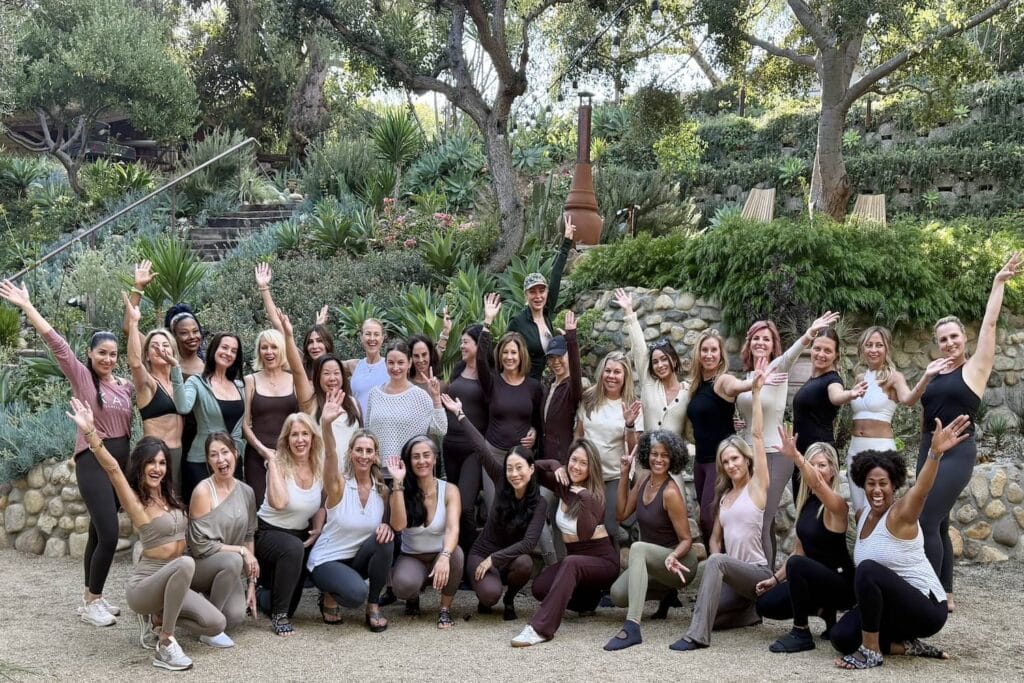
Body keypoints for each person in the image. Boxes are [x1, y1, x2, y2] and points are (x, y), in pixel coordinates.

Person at [1, 280, 133, 626]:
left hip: (119, 465)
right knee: (109, 534)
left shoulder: (123, 386)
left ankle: (94, 597)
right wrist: (28, 307)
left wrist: (135, 296)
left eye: (112, 353)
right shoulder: (83, 378)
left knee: (94, 533)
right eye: (101, 352)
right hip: (93, 462)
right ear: (90, 354)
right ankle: (92, 602)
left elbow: (135, 346)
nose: (107, 358)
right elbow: (57, 344)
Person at [66, 398, 225, 671]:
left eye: (162, 463)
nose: (157, 468)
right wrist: (90, 432)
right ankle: (165, 643)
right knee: (186, 563)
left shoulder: (170, 496)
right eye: (151, 463)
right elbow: (113, 469)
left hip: (174, 581)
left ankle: (159, 619)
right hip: (145, 587)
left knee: (216, 623)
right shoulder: (136, 502)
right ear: (140, 466)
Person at [916, 252, 1020, 609]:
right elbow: (923, 410)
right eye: (943, 339)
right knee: (940, 522)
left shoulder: (975, 369)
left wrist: (998, 282)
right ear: (937, 343)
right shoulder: (934, 373)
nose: (949, 343)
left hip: (957, 450)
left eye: (954, 336)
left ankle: (928, 594)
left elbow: (990, 325)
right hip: (928, 450)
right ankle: (946, 593)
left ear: (964, 338)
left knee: (926, 518)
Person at [830, 416, 970, 669]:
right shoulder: (862, 517)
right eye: (870, 484)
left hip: (926, 609)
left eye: (883, 484)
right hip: (893, 608)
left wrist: (935, 454)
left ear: (893, 485)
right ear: (863, 484)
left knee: (868, 569)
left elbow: (921, 490)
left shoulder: (900, 515)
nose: (876, 490)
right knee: (840, 636)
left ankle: (871, 651)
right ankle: (907, 646)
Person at [670, 357, 773, 652]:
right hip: (736, 581)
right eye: (725, 461)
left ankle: (697, 637)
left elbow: (755, 434)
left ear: (746, 459)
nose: (730, 465)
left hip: (757, 574)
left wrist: (754, 391)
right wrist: (722, 573)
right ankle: (748, 614)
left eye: (735, 459)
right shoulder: (725, 498)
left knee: (713, 570)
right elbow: (715, 540)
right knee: (707, 610)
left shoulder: (757, 487)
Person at [734, 312, 839, 564]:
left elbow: (793, 352)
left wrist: (810, 332)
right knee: (758, 520)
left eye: (766, 339)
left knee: (762, 518)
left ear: (773, 345)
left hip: (773, 455)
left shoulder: (778, 368)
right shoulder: (746, 377)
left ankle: (761, 578)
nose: (760, 343)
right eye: (756, 338)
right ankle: (763, 575)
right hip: (749, 455)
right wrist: (736, 421)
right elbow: (745, 412)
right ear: (749, 343)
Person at [440, 393, 547, 621]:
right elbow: (481, 447)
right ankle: (487, 592)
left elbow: (528, 543)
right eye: (510, 468)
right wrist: (460, 414)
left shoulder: (539, 503)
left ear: (531, 469)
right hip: (481, 553)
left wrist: (495, 559)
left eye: (519, 468)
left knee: (525, 563)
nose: (514, 474)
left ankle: (509, 600)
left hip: (507, 558)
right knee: (490, 596)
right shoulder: (500, 478)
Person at [510, 439, 619, 647]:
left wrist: (585, 499)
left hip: (603, 561)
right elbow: (532, 466)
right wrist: (554, 465)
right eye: (573, 460)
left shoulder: (595, 496)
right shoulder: (564, 485)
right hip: (579, 564)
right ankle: (587, 600)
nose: (576, 466)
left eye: (583, 463)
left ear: (592, 466)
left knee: (570, 563)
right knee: (540, 588)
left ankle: (540, 629)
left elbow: (585, 534)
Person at [755, 433, 854, 653]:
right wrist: (774, 579)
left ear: (832, 471)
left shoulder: (837, 505)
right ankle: (823, 612)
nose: (817, 470)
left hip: (840, 584)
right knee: (765, 604)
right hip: (815, 582)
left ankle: (801, 632)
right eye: (812, 464)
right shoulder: (807, 503)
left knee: (797, 566)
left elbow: (818, 484)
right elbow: (799, 551)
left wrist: (798, 458)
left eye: (822, 465)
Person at [605, 430, 699, 651]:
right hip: (655, 564)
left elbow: (687, 539)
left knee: (637, 548)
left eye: (665, 455)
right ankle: (665, 593)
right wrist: (624, 473)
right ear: (647, 454)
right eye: (654, 454)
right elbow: (621, 514)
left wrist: (673, 556)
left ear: (673, 458)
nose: (658, 459)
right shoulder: (644, 480)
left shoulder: (671, 493)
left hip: (680, 563)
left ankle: (632, 627)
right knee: (617, 595)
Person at [311, 392, 394, 632]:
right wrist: (326, 424)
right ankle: (329, 594)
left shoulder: (383, 492)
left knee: (385, 538)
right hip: (327, 560)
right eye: (359, 450)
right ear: (350, 453)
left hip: (355, 560)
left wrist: (387, 524)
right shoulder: (338, 485)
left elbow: (394, 525)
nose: (364, 456)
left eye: (369, 451)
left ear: (375, 455)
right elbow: (329, 455)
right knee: (355, 594)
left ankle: (374, 605)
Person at [848, 325, 941, 512]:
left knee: (878, 510)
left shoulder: (893, 377)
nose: (873, 350)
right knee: (859, 511)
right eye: (869, 345)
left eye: (879, 345)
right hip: (855, 450)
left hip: (880, 451)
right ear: (862, 348)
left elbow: (908, 399)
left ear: (886, 349)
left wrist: (926, 377)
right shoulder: (859, 378)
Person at [254, 413, 325, 636]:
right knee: (293, 547)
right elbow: (279, 502)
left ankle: (258, 594)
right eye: (294, 435)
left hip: (298, 536)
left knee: (288, 603)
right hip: (267, 533)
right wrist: (272, 461)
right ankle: (279, 616)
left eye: (305, 434)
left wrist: (318, 527)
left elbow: (321, 503)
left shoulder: (318, 466)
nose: (300, 440)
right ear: (286, 439)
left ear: (313, 438)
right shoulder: (278, 465)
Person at [186, 433, 259, 649]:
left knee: (236, 616)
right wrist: (241, 552)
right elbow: (198, 545)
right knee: (234, 560)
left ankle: (205, 605)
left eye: (225, 452)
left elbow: (248, 535)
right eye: (214, 455)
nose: (221, 460)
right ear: (208, 461)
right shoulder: (202, 492)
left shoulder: (246, 492)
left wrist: (252, 584)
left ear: (235, 453)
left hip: (228, 567)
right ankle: (211, 629)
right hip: (200, 564)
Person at [386, 437, 463, 629]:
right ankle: (413, 597)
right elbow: (397, 526)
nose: (422, 461)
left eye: (426, 455)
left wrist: (445, 556)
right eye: (416, 457)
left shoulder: (450, 490)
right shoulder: (401, 489)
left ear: (435, 459)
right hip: (412, 556)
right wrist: (397, 483)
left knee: (456, 555)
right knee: (402, 586)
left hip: (440, 554)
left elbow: (453, 528)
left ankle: (445, 609)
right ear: (409, 461)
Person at [242, 301, 314, 505]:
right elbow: (245, 425)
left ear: (281, 350)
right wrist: (263, 450)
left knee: (290, 503)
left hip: (291, 455)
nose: (269, 352)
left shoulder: (294, 380)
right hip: (257, 456)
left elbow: (304, 420)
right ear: (259, 352)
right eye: (264, 348)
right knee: (261, 504)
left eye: (274, 347)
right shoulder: (251, 380)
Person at [442, 298, 496, 566]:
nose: (462, 346)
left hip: (473, 450)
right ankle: (455, 560)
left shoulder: (488, 377)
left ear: (479, 346)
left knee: (464, 507)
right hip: (449, 447)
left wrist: (486, 323)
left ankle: (472, 562)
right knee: (451, 509)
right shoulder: (460, 369)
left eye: (466, 342)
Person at [170, 332, 246, 504]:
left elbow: (244, 425)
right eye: (224, 347)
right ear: (214, 350)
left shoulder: (240, 386)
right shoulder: (197, 382)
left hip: (232, 460)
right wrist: (175, 368)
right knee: (204, 515)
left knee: (232, 513)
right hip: (201, 460)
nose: (228, 353)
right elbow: (183, 407)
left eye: (234, 351)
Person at [123, 292, 185, 500]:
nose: (160, 349)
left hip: (179, 454)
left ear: (174, 352)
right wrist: (133, 324)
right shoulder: (148, 384)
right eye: (154, 346)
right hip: (156, 457)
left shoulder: (180, 383)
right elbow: (134, 362)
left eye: (166, 345)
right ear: (147, 354)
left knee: (178, 509)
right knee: (157, 509)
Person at [576, 350, 642, 542]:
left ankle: (611, 568)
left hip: (614, 476)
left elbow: (633, 449)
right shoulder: (589, 398)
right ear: (601, 372)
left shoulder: (631, 405)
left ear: (625, 376)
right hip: (587, 474)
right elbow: (578, 435)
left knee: (610, 528)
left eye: (617, 372)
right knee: (586, 525)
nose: (611, 376)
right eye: (608, 371)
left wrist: (629, 425)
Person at [791, 329, 867, 495]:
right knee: (803, 510)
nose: (821, 354)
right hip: (804, 454)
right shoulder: (814, 380)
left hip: (819, 457)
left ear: (836, 355)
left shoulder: (833, 379)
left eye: (828, 350)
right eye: (817, 348)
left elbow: (836, 396)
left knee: (817, 510)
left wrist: (850, 394)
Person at [684, 329, 738, 544]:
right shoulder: (696, 386)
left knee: (709, 518)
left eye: (713, 350)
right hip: (700, 462)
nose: (708, 354)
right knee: (706, 518)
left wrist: (752, 383)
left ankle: (722, 565)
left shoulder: (723, 380)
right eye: (704, 350)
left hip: (719, 461)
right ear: (698, 354)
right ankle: (715, 565)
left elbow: (736, 386)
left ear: (721, 354)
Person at [481, 329, 544, 512]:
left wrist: (535, 432)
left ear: (521, 355)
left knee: (522, 508)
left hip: (521, 459)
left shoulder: (534, 387)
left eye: (513, 352)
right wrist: (487, 325)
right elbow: (480, 361)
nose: (509, 357)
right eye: (505, 352)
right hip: (493, 454)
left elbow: (538, 421)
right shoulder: (491, 382)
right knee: (494, 508)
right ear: (499, 356)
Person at [507, 215, 575, 381]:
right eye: (532, 292)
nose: (538, 296)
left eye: (541, 291)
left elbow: (556, 274)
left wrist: (566, 242)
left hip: (547, 381)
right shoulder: (518, 322)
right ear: (526, 295)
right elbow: (505, 354)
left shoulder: (546, 312)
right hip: (525, 384)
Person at [615, 288, 688, 439]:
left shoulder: (688, 391)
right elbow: (640, 349)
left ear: (674, 360)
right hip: (648, 457)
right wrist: (629, 311)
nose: (660, 365)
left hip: (674, 459)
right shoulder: (649, 384)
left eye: (664, 359)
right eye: (655, 362)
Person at [366, 340, 447, 464]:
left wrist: (436, 398)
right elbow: (368, 433)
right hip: (378, 472)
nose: (395, 368)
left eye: (400, 362)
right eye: (391, 363)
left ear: (409, 363)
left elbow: (441, 428)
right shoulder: (374, 394)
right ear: (385, 364)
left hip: (410, 472)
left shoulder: (420, 396)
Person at [254, 261, 333, 380]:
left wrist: (319, 327)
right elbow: (279, 325)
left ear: (327, 344)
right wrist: (264, 288)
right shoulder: (303, 365)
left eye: (319, 341)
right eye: (310, 342)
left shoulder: (338, 367)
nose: (314, 346)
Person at [311, 354, 363, 467]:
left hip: (351, 476)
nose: (332, 378)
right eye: (326, 373)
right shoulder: (310, 405)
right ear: (317, 377)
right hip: (322, 475)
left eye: (336, 373)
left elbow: (361, 439)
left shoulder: (354, 403)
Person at [345, 318, 389, 419]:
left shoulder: (390, 366)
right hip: (358, 430)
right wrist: (319, 328)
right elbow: (325, 364)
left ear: (382, 338)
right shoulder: (354, 365)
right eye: (368, 334)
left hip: (382, 430)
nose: (372, 338)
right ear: (361, 337)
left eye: (376, 334)